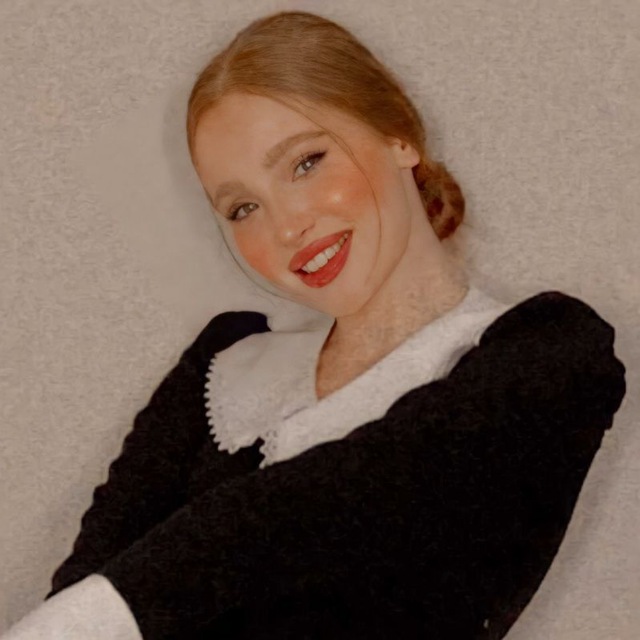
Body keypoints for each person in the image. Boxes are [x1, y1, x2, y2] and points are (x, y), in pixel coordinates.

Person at [1, 10, 627, 640]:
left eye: (306, 163)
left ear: (398, 136)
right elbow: (79, 594)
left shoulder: (547, 357)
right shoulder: (223, 370)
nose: (286, 226)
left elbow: (316, 510)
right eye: (243, 207)